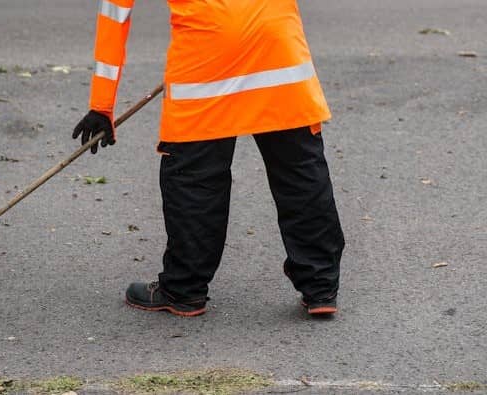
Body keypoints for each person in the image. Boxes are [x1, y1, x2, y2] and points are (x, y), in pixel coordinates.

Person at [72, 0, 345, 316]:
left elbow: (115, 14)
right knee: (298, 170)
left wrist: (101, 105)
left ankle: (183, 289)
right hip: (277, 44)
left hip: (207, 54)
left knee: (194, 177)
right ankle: (320, 285)